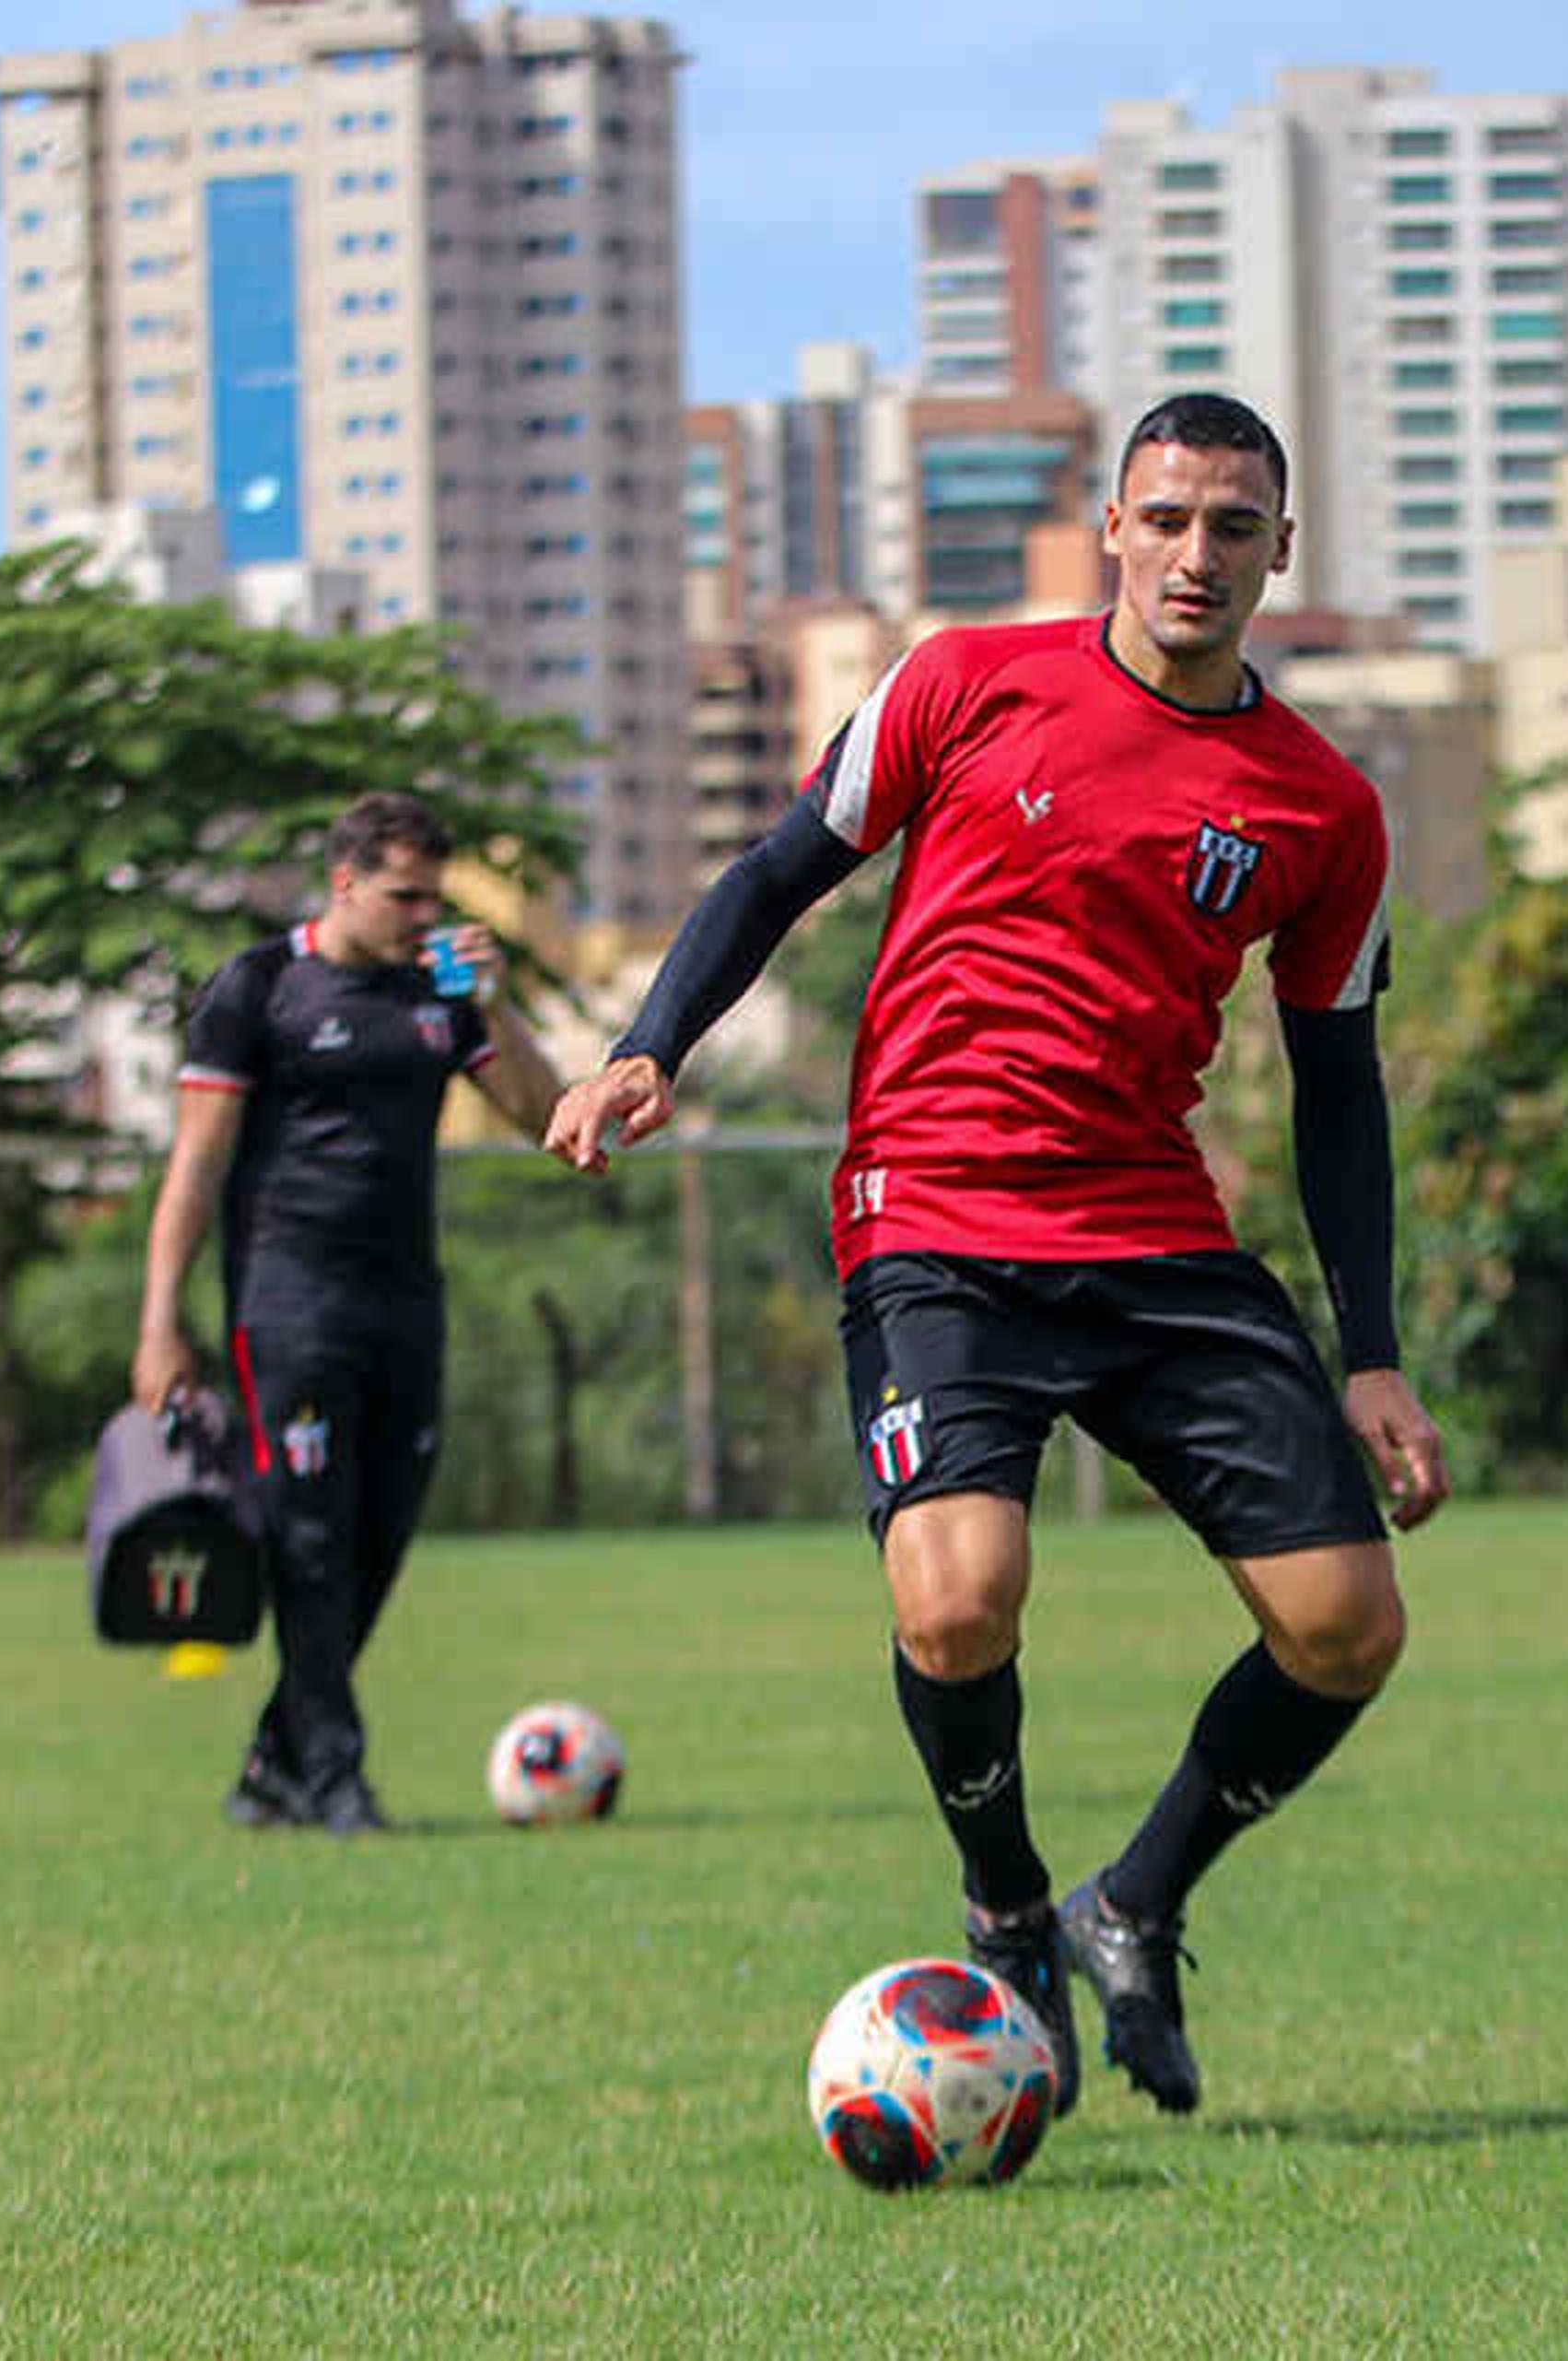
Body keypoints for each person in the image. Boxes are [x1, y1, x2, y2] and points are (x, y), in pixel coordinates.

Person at [544, 392, 1450, 2117]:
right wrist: (652, 1038)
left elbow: (1341, 1091)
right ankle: (1011, 1900)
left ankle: (1139, 1901)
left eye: (1235, 525)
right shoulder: (967, 681)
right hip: (937, 1218)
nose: (1199, 554)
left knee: (1348, 1627)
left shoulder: (1323, 805)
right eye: (1168, 517)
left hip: (1157, 1235)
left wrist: (1373, 1345)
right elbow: (773, 870)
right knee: (957, 1602)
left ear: (1282, 549)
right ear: (1112, 527)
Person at [132, 791, 568, 1833]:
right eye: (403, 896)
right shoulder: (261, 987)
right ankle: (334, 1778)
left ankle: (273, 1767)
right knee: (310, 1539)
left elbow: (542, 1114)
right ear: (345, 881)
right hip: (288, 1304)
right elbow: (195, 1162)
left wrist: (493, 1004)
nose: (423, 916)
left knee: (378, 1536)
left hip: (405, 1301)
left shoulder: (442, 992)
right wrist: (159, 1321)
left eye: (435, 897)